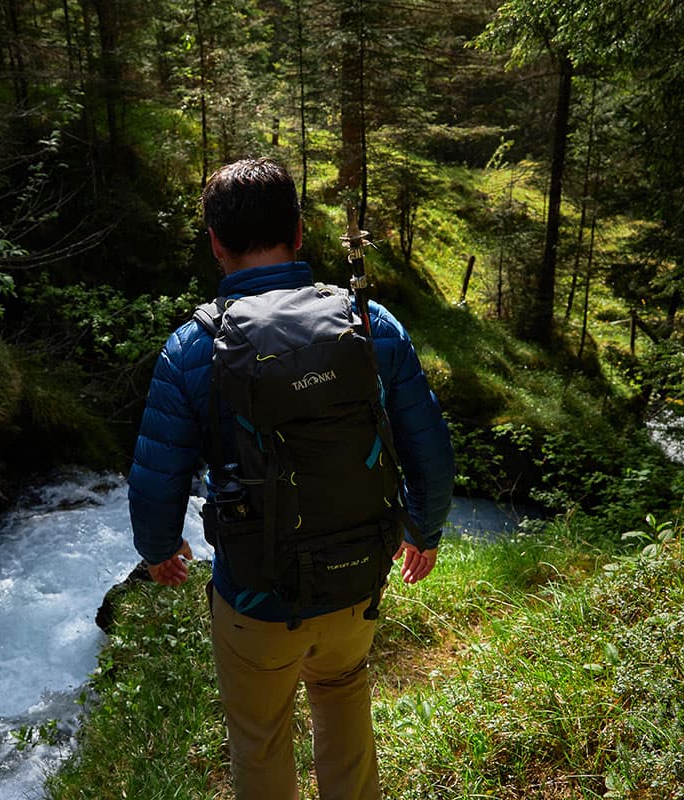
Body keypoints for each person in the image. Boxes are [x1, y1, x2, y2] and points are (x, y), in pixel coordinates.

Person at [127, 157, 454, 800]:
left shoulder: (192, 348)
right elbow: (428, 446)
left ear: (216, 244)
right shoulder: (369, 322)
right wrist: (423, 527)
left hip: (256, 600)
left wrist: (159, 549)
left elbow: (156, 474)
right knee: (343, 697)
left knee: (261, 739)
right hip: (358, 575)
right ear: (300, 233)